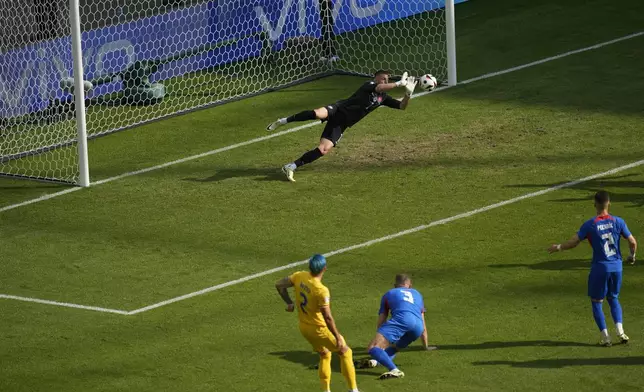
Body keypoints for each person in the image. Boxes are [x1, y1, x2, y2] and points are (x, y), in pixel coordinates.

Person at [266, 70, 417, 182]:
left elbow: (402, 106)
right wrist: (398, 84)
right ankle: (283, 121)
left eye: (387, 79)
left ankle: (291, 166)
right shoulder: (369, 85)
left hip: (342, 123)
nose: (385, 80)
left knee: (323, 149)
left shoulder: (383, 98)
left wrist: (408, 94)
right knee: (318, 113)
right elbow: (379, 88)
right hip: (338, 109)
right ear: (375, 77)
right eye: (383, 78)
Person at [548, 190, 637, 346]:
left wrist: (559, 247)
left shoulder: (590, 224)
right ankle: (621, 332)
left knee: (597, 302)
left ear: (595, 204)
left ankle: (606, 338)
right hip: (617, 267)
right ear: (609, 203)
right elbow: (632, 242)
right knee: (613, 298)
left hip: (600, 268)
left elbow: (574, 242)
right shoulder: (618, 221)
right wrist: (632, 256)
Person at [275, 254, 360, 392]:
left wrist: (289, 303)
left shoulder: (299, 276)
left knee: (325, 354)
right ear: (324, 268)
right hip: (319, 329)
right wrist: (337, 336)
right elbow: (327, 317)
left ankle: (325, 390)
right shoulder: (321, 290)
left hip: (304, 328)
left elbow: (279, 285)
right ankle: (353, 390)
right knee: (345, 351)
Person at [357, 274, 432, 380]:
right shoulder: (417, 294)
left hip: (403, 320)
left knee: (373, 348)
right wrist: (426, 346)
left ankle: (394, 370)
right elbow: (423, 323)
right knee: (395, 347)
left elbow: (382, 318)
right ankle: (376, 362)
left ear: (395, 285)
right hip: (418, 327)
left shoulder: (389, 293)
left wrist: (380, 339)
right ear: (410, 285)